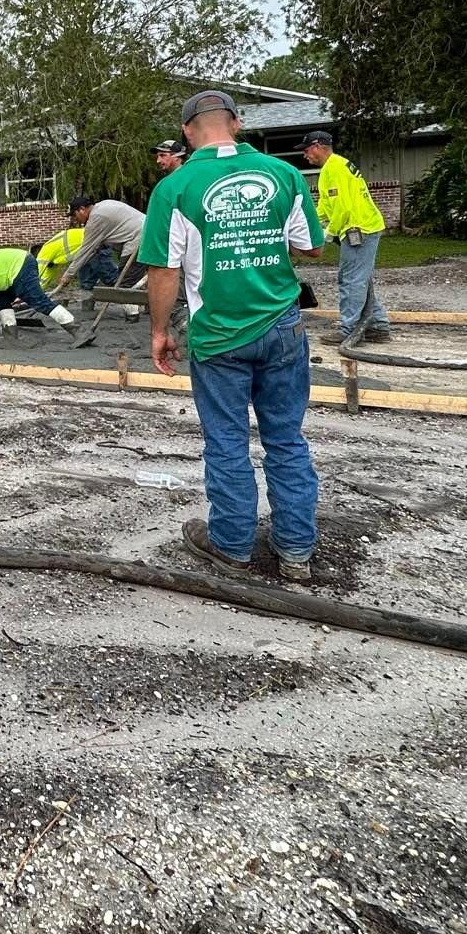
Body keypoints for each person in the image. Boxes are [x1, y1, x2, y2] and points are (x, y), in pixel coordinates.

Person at [140, 91, 325, 582]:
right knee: (286, 440)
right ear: (237, 124)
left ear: (186, 131)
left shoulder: (175, 187)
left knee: (226, 442)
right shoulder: (284, 175)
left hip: (218, 337)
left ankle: (233, 546)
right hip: (282, 326)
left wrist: (159, 332)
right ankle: (296, 552)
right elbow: (310, 249)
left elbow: (162, 271)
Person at [300, 130, 391, 346]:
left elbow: (343, 208)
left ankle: (348, 330)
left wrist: (328, 234)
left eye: (306, 151)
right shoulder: (332, 168)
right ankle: (378, 326)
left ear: (317, 146)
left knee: (351, 280)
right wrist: (308, 221)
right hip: (362, 226)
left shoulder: (335, 169)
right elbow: (326, 206)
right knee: (361, 279)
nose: (305, 156)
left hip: (359, 230)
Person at [51, 193, 146, 318]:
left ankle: (132, 317)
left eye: (74, 215)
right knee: (150, 276)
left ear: (82, 209)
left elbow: (85, 251)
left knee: (124, 284)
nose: (75, 220)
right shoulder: (103, 205)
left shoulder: (96, 218)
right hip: (149, 232)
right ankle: (151, 309)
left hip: (139, 240)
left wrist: (67, 275)